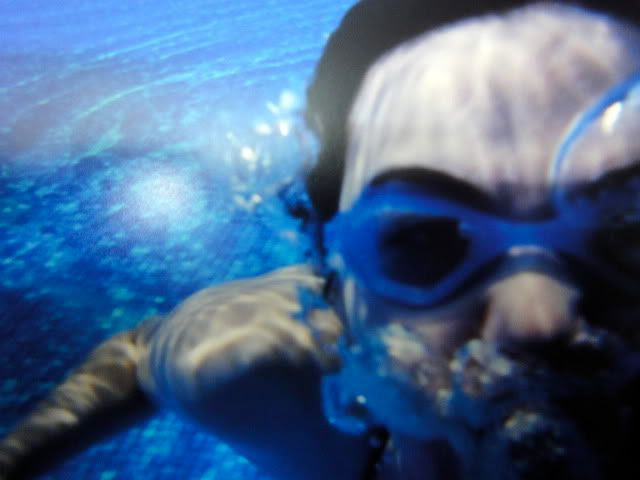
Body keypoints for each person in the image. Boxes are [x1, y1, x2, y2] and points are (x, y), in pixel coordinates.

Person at [2, 1, 640, 479]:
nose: (539, 320)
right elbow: (141, 355)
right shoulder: (255, 367)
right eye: (424, 240)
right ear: (331, 270)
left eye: (630, 226)